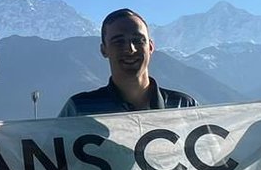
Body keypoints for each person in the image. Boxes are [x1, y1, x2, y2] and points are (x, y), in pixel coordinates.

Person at [60, 8, 197, 117]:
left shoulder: (184, 106)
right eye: (118, 41)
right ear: (104, 50)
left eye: (138, 40)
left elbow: (212, 150)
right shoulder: (79, 109)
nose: (130, 49)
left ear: (150, 47)